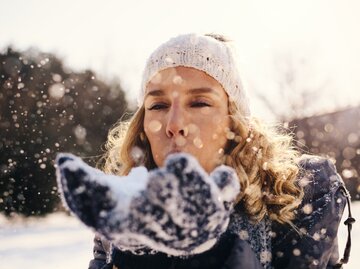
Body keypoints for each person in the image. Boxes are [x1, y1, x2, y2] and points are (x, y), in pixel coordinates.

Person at [56, 33, 354, 269]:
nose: (174, 124)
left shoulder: (299, 192)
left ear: (233, 121)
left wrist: (215, 252)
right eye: (158, 105)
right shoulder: (123, 210)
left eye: (199, 103)